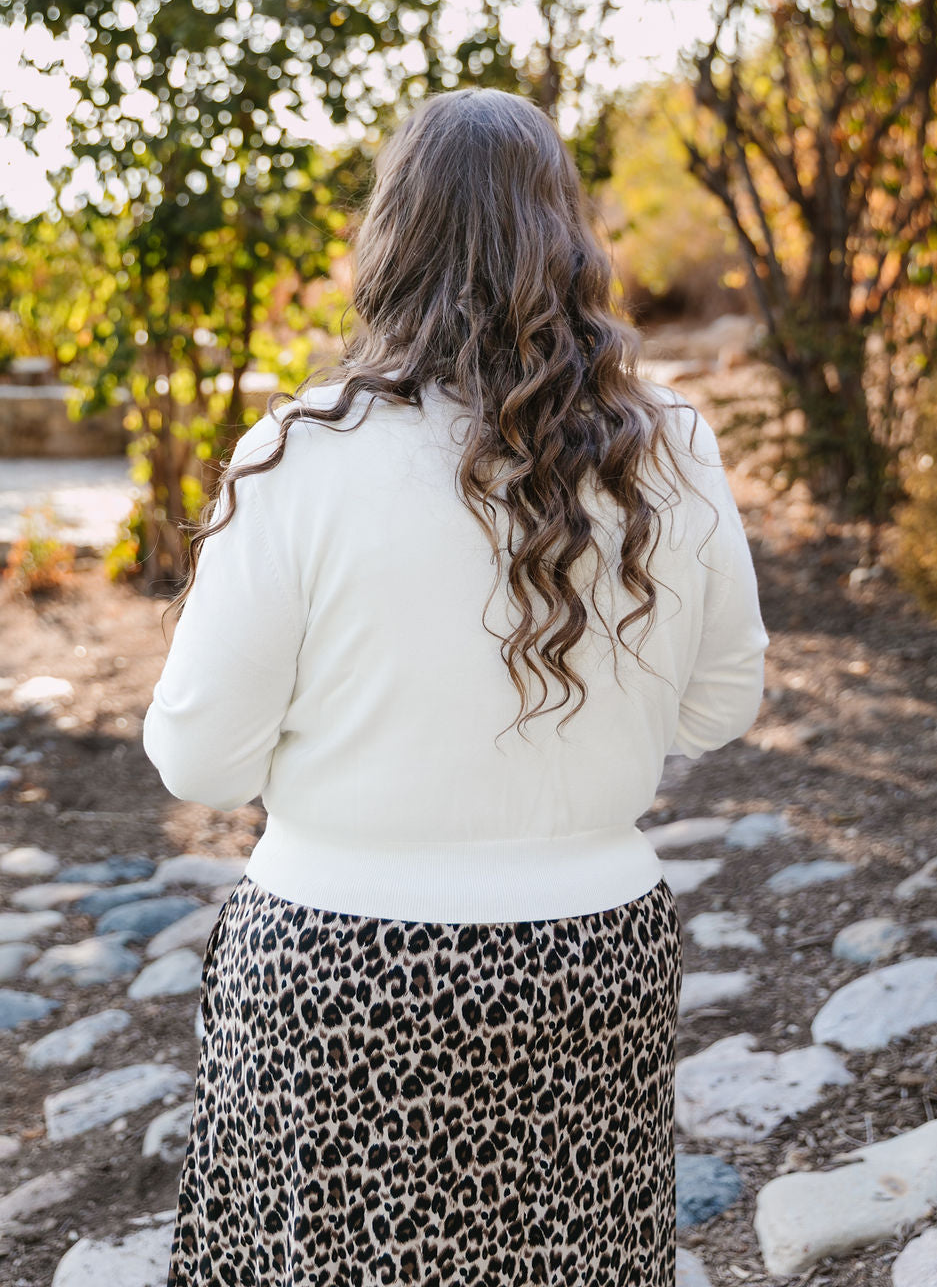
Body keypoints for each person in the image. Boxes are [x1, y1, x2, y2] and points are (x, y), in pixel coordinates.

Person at [143, 86, 770, 1287]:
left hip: (334, 980)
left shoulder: (303, 452)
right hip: (587, 971)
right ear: (567, 237)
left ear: (392, 240)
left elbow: (200, 762)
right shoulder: (671, 449)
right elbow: (717, 708)